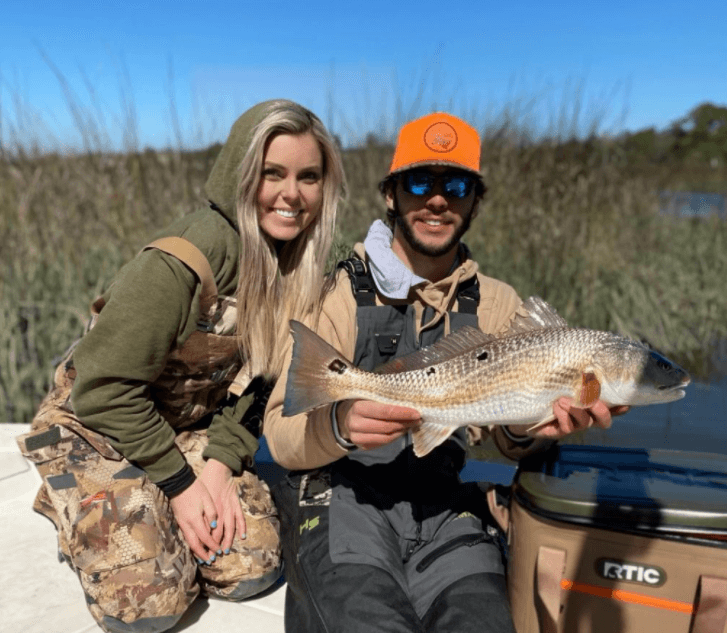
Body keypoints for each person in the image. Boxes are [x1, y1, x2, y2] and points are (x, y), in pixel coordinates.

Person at [263, 112, 629, 632]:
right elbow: (279, 437)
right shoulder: (337, 292)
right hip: (348, 496)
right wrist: (339, 426)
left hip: (445, 503)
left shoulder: (500, 305)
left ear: (474, 202)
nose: (438, 200)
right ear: (391, 195)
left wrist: (529, 430)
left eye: (456, 185)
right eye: (419, 182)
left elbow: (508, 438)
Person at [17, 99, 346, 633]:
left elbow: (256, 386)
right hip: (96, 423)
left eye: (309, 177)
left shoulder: (299, 265)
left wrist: (218, 466)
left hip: (182, 425)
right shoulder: (185, 259)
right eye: (273, 174)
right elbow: (102, 390)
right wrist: (181, 486)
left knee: (252, 565)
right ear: (242, 175)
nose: (293, 193)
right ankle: (73, 499)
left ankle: (143, 503)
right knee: (148, 604)